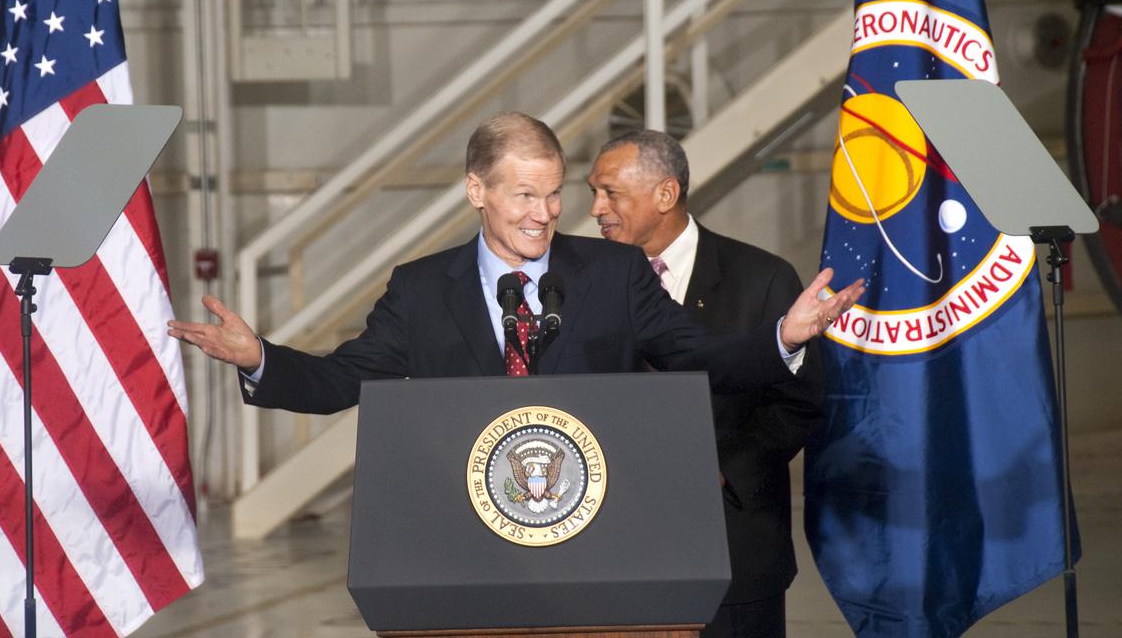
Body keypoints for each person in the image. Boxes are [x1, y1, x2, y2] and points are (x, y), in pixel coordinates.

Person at [168, 112, 863, 419]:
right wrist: (260, 357)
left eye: (554, 193)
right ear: (478, 191)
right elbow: (341, 380)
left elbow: (701, 356)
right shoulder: (420, 290)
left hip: (596, 537)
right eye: (525, 195)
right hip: (471, 543)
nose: (545, 213)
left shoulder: (613, 274)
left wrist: (782, 337)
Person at [588, 129, 822, 638]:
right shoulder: (585, 283)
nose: (595, 209)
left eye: (610, 192)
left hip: (735, 547)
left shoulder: (761, 277)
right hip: (612, 550)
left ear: (665, 194)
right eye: (594, 192)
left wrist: (721, 472)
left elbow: (801, 402)